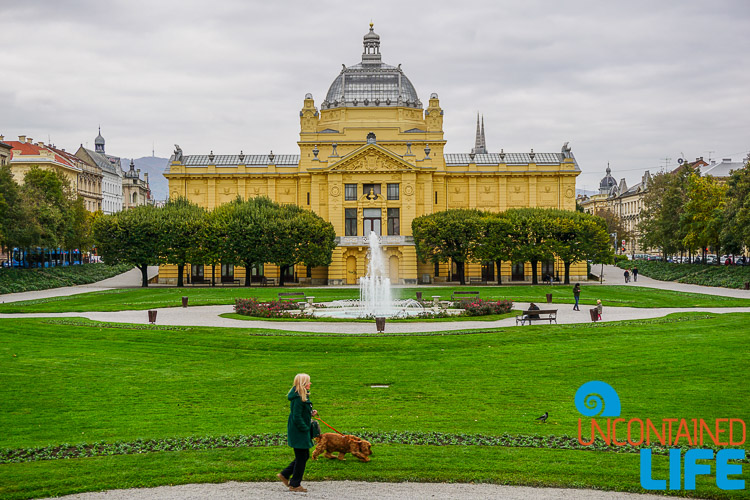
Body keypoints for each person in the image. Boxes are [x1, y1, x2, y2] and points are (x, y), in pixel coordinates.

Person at [278, 373, 318, 493]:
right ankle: (295, 485)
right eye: (309, 382)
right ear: (303, 384)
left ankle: (285, 474)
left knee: (303, 456)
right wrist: (305, 428)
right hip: (299, 431)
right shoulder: (299, 398)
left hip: (300, 430)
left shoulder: (301, 396)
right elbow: (296, 416)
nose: (310, 383)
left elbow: (301, 413)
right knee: (302, 457)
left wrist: (311, 413)